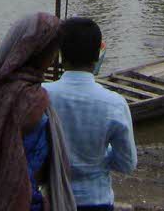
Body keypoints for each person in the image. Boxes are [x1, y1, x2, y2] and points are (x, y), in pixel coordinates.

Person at [0, 12, 75, 211]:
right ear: (39, 52)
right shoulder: (34, 100)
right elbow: (43, 168)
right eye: (53, 51)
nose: (55, 58)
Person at [44, 17, 136, 211]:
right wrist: (98, 159)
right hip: (97, 199)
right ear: (97, 56)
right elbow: (127, 163)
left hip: (53, 199)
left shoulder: (42, 96)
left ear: (61, 54)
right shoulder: (114, 103)